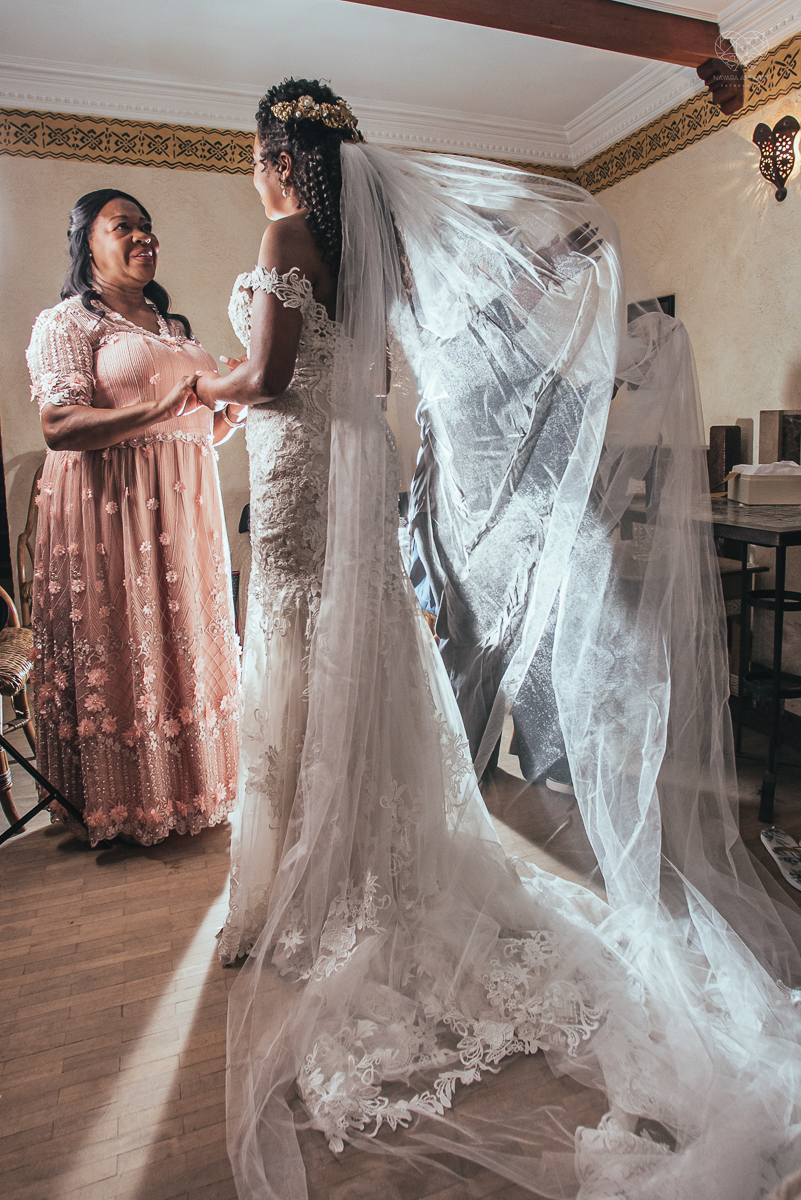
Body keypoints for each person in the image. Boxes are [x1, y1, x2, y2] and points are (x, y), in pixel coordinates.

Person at [198, 80, 801, 1200]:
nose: (255, 170)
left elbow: (274, 374)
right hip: (353, 468)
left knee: (297, 649)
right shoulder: (371, 247)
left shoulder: (286, 230)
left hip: (299, 473)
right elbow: (391, 357)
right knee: (359, 653)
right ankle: (363, 860)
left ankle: (302, 882)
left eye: (255, 153)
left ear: (279, 160)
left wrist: (208, 384)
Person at [27, 188, 243, 846]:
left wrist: (227, 416)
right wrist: (165, 408)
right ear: (88, 241)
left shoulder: (171, 328)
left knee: (182, 647)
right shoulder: (67, 322)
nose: (145, 237)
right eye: (125, 226)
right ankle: (123, 805)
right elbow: (60, 424)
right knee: (127, 649)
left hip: (185, 516)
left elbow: (191, 430)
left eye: (149, 227)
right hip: (109, 518)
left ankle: (187, 792)